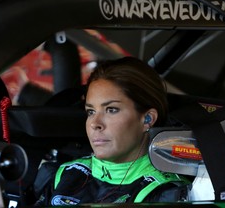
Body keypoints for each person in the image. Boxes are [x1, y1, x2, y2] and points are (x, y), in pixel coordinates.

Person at [35, 56, 190, 206]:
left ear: (147, 119)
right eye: (90, 112)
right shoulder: (66, 174)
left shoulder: (163, 193)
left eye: (111, 110)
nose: (95, 123)